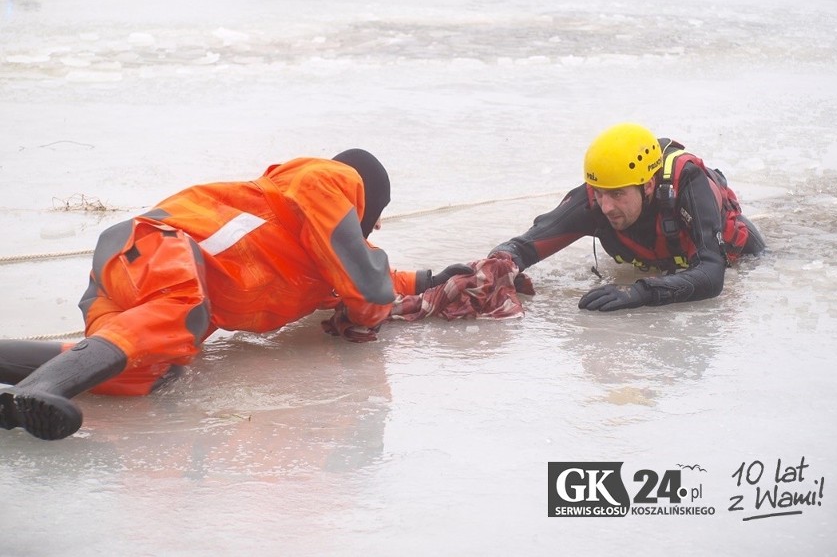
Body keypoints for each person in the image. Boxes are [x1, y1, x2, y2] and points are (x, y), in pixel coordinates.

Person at [0, 149, 470, 441]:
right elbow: (368, 286)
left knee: (144, 373)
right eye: (376, 214)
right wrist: (375, 297)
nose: (377, 226)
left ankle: (24, 379)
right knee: (179, 313)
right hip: (158, 245)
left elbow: (374, 277)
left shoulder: (318, 259)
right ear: (363, 198)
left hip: (135, 281)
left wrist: (431, 281)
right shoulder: (324, 178)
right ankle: (43, 388)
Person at [489, 122, 766, 312]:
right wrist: (490, 269)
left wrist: (641, 293)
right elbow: (524, 246)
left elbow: (711, 275)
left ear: (647, 186)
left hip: (745, 260)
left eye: (618, 194)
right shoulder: (595, 200)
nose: (606, 206)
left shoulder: (689, 186)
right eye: (599, 193)